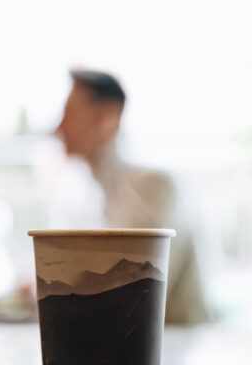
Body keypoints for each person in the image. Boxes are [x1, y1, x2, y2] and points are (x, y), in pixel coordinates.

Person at [54, 69, 210, 324]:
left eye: (69, 114)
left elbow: (139, 290)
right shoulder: (86, 199)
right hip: (127, 344)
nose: (59, 127)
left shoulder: (156, 187)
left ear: (106, 118)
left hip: (175, 343)